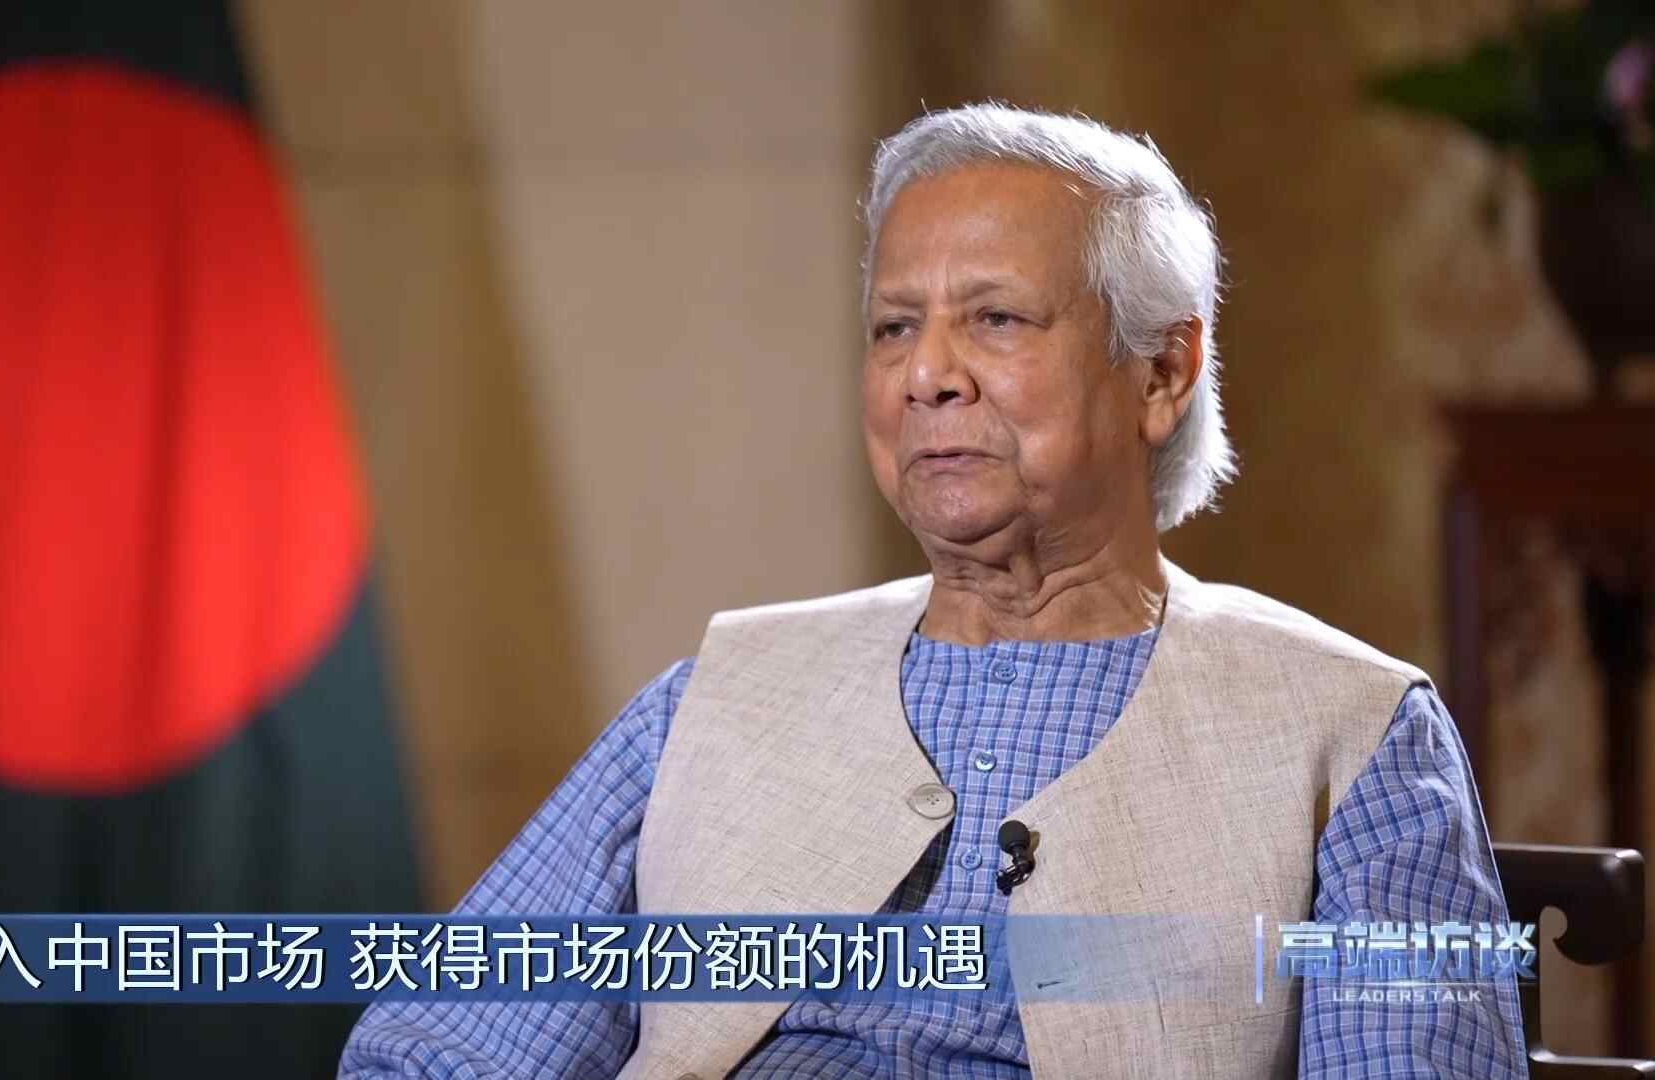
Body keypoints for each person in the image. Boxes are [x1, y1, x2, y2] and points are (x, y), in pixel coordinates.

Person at [340, 103, 1527, 1079]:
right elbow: (435, 1050)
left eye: (995, 319)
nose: (926, 376)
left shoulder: (1350, 736)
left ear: (1162, 372)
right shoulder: (714, 701)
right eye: (894, 327)